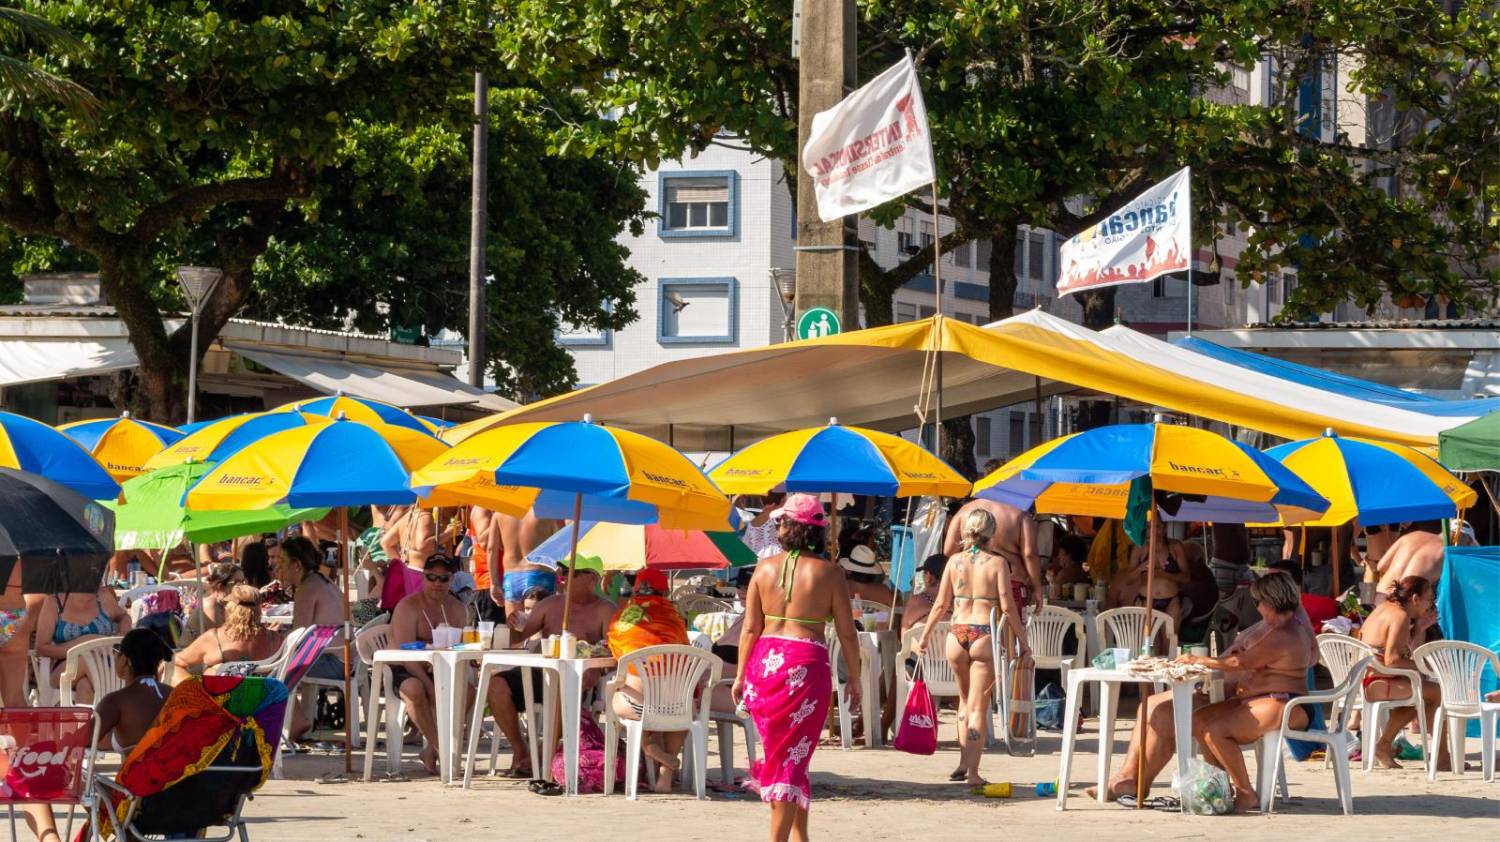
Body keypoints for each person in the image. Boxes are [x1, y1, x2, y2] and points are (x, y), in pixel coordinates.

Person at [1094, 570, 1318, 812]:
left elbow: (1238, 662)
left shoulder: (1285, 633)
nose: (1257, 607)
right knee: (1200, 720)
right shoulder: (1279, 627)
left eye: (1257, 602)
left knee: (1215, 731)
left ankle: (1245, 792)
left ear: (1268, 602)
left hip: (1284, 702)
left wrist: (1198, 660)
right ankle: (1221, 788)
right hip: (1260, 699)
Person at [731, 493, 860, 842]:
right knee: (791, 758)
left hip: (765, 667)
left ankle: (801, 838)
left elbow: (749, 629)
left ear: (787, 528)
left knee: (787, 755)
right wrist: (855, 677)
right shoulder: (830, 573)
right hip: (805, 667)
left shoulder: (763, 569)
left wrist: (741, 675)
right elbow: (847, 633)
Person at [916, 508, 1027, 785]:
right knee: (979, 706)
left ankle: (963, 763)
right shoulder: (997, 563)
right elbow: (1007, 606)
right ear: (992, 533)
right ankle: (974, 773)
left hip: (956, 633)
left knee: (963, 702)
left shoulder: (954, 561)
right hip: (983, 633)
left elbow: (941, 604)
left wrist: (925, 636)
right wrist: (1023, 642)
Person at [492, 555, 612, 778]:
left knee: (562, 688)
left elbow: (612, 651)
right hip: (540, 672)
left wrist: (597, 666)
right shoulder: (550, 605)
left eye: (573, 573)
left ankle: (543, 755)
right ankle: (520, 749)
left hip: (578, 678)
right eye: (563, 573)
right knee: (496, 686)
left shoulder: (605, 610)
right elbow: (518, 638)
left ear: (592, 579)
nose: (565, 578)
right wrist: (509, 628)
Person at [605, 568, 698, 793]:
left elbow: (618, 655)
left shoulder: (622, 618)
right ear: (665, 593)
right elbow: (685, 652)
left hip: (637, 704)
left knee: (616, 692)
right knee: (683, 709)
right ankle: (665, 775)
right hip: (676, 704)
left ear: (635, 590)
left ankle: (647, 745)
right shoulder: (675, 619)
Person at [384, 553, 468, 775]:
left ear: (451, 579)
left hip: (439, 666)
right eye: (431, 577)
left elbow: (460, 648)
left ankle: (430, 748)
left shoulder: (457, 609)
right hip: (403, 666)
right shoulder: (408, 606)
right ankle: (443, 750)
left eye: (443, 578)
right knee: (415, 689)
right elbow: (406, 655)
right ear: (423, 578)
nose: (437, 583)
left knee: (467, 691)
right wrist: (431, 685)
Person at [1359, 575, 1452, 770]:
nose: (1431, 605)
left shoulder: (1384, 608)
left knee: (1422, 694)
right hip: (1378, 682)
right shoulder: (1400, 616)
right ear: (1415, 599)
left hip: (1368, 679)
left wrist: (1418, 630)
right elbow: (1392, 661)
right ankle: (1441, 758)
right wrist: (1424, 667)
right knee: (1436, 693)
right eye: (1430, 600)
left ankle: (1385, 745)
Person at [281, 536, 345, 740]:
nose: (278, 567)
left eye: (282, 561)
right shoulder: (324, 581)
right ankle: (297, 719)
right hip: (344, 658)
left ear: (297, 565)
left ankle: (295, 722)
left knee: (272, 667)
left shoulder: (307, 588)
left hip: (332, 662)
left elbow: (297, 637)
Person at [36, 585, 131, 703]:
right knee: (86, 659)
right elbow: (41, 648)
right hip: (65, 665)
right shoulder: (54, 602)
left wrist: (123, 633)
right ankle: (120, 700)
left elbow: (123, 616)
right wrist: (82, 647)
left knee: (84, 687)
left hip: (104, 662)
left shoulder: (102, 595)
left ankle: (96, 715)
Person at [942, 498, 1043, 610]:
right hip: (1011, 583)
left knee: (975, 618)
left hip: (972, 582)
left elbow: (949, 550)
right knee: (1011, 619)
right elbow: (1029, 554)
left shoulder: (964, 511)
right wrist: (1037, 587)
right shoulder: (1019, 514)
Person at [173, 584, 281, 677]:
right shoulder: (276, 639)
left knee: (173, 669)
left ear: (231, 608)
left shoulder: (216, 638)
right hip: (263, 693)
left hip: (222, 694)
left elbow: (179, 661)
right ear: (258, 610)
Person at [95, 628, 172, 754]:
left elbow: (85, 739)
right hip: (176, 765)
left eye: (117, 652)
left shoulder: (116, 701)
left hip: (141, 766)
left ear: (126, 660)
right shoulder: (174, 693)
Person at [493, 509, 563, 616]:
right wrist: (561, 574)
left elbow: (491, 549)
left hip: (512, 576)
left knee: (515, 625)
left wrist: (494, 582)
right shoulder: (548, 511)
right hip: (540, 573)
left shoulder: (500, 513)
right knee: (541, 624)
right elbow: (562, 544)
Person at [1374, 526, 1444, 597]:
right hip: (1408, 600)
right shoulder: (1445, 552)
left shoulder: (1415, 534)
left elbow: (1381, 566)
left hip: (1382, 594)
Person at [183, 561, 245, 641]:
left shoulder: (228, 603)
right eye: (236, 582)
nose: (242, 586)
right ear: (220, 586)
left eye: (243, 581)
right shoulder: (209, 605)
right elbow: (218, 639)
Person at [902, 553, 949, 634]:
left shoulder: (915, 601)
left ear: (929, 576)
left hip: (922, 642)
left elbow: (904, 633)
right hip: (951, 641)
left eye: (924, 573)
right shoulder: (959, 601)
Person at [738, 492, 785, 559]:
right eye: (784, 501)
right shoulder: (778, 519)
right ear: (773, 504)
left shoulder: (753, 521)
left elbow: (746, 544)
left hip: (755, 559)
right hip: (774, 558)